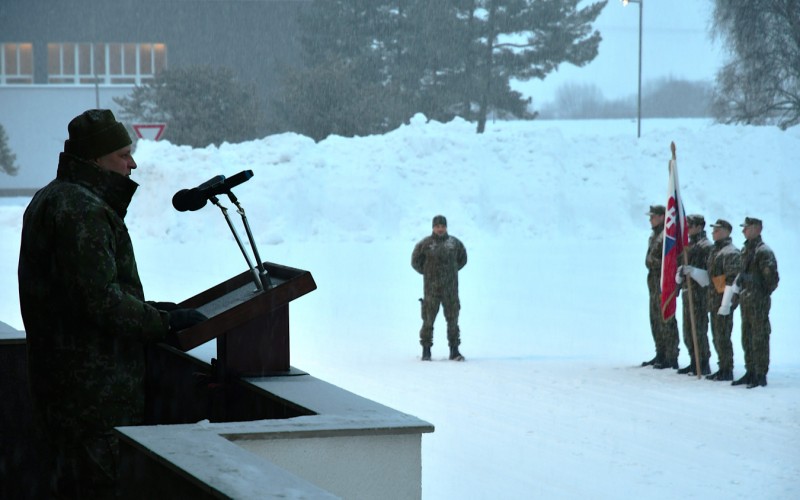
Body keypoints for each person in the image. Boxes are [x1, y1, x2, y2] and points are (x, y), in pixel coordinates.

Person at [18, 109, 207, 497]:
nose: (132, 163)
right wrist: (163, 323)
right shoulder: (81, 210)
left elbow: (77, 291)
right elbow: (99, 301)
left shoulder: (55, 198)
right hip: (92, 398)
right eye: (123, 154)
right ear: (94, 159)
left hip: (67, 393)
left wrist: (156, 309)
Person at [411, 215, 468, 361]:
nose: (440, 229)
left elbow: (462, 260)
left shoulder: (455, 244)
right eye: (437, 226)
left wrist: (451, 271)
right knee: (428, 320)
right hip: (431, 290)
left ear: (446, 227)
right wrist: (429, 272)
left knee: (453, 320)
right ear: (433, 227)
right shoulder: (425, 244)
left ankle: (454, 351)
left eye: (442, 226)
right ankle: (426, 351)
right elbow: (415, 262)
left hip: (451, 289)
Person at [732, 217, 779, 388]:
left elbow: (772, 280)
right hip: (746, 301)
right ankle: (750, 370)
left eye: (747, 228)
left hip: (757, 302)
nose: (744, 231)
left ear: (757, 229)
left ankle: (760, 374)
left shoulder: (763, 251)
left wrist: (758, 292)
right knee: (747, 337)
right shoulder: (746, 250)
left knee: (759, 337)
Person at [642, 205, 680, 369]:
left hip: (663, 282)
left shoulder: (668, 236)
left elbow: (671, 261)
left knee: (666, 318)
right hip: (654, 282)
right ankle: (661, 352)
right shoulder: (654, 236)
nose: (650, 220)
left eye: (653, 216)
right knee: (655, 319)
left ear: (662, 217)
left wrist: (655, 263)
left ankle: (671, 356)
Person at [675, 214, 713, 375]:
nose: (687, 229)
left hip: (700, 294)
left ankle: (703, 362)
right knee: (688, 330)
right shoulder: (688, 246)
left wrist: (694, 272)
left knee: (698, 329)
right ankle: (693, 360)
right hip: (688, 292)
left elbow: (709, 276)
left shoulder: (706, 247)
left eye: (690, 226)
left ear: (699, 226)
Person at [704, 219, 741, 382]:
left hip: (723, 302)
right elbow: (711, 276)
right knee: (717, 336)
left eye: (717, 230)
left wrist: (726, 303)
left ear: (726, 231)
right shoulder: (715, 251)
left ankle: (727, 369)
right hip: (714, 300)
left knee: (723, 336)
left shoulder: (731, 253)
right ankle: (722, 367)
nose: (713, 233)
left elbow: (732, 281)